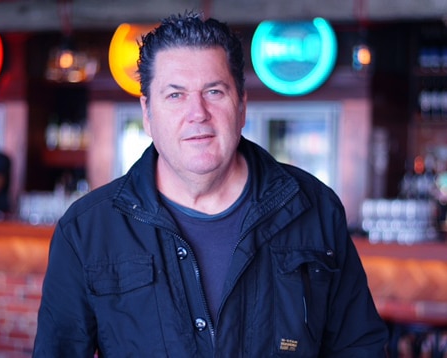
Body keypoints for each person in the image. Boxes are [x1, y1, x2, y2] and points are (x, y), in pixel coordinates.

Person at [33, 12, 388, 357]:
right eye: (175, 95)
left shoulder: (315, 209)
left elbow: (360, 347)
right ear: (147, 113)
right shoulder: (86, 231)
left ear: (242, 106)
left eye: (214, 92)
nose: (197, 112)